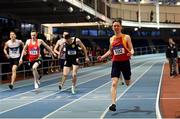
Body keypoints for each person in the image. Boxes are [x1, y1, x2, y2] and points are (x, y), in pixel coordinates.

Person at [98, 19, 134, 111]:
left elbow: (131, 48)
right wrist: (102, 57)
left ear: (121, 27)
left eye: (118, 25)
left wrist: (131, 53)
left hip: (125, 62)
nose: (116, 27)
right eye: (114, 26)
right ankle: (113, 104)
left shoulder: (126, 37)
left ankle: (127, 76)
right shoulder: (111, 39)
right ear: (112, 27)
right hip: (116, 63)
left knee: (127, 83)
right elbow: (111, 51)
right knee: (114, 83)